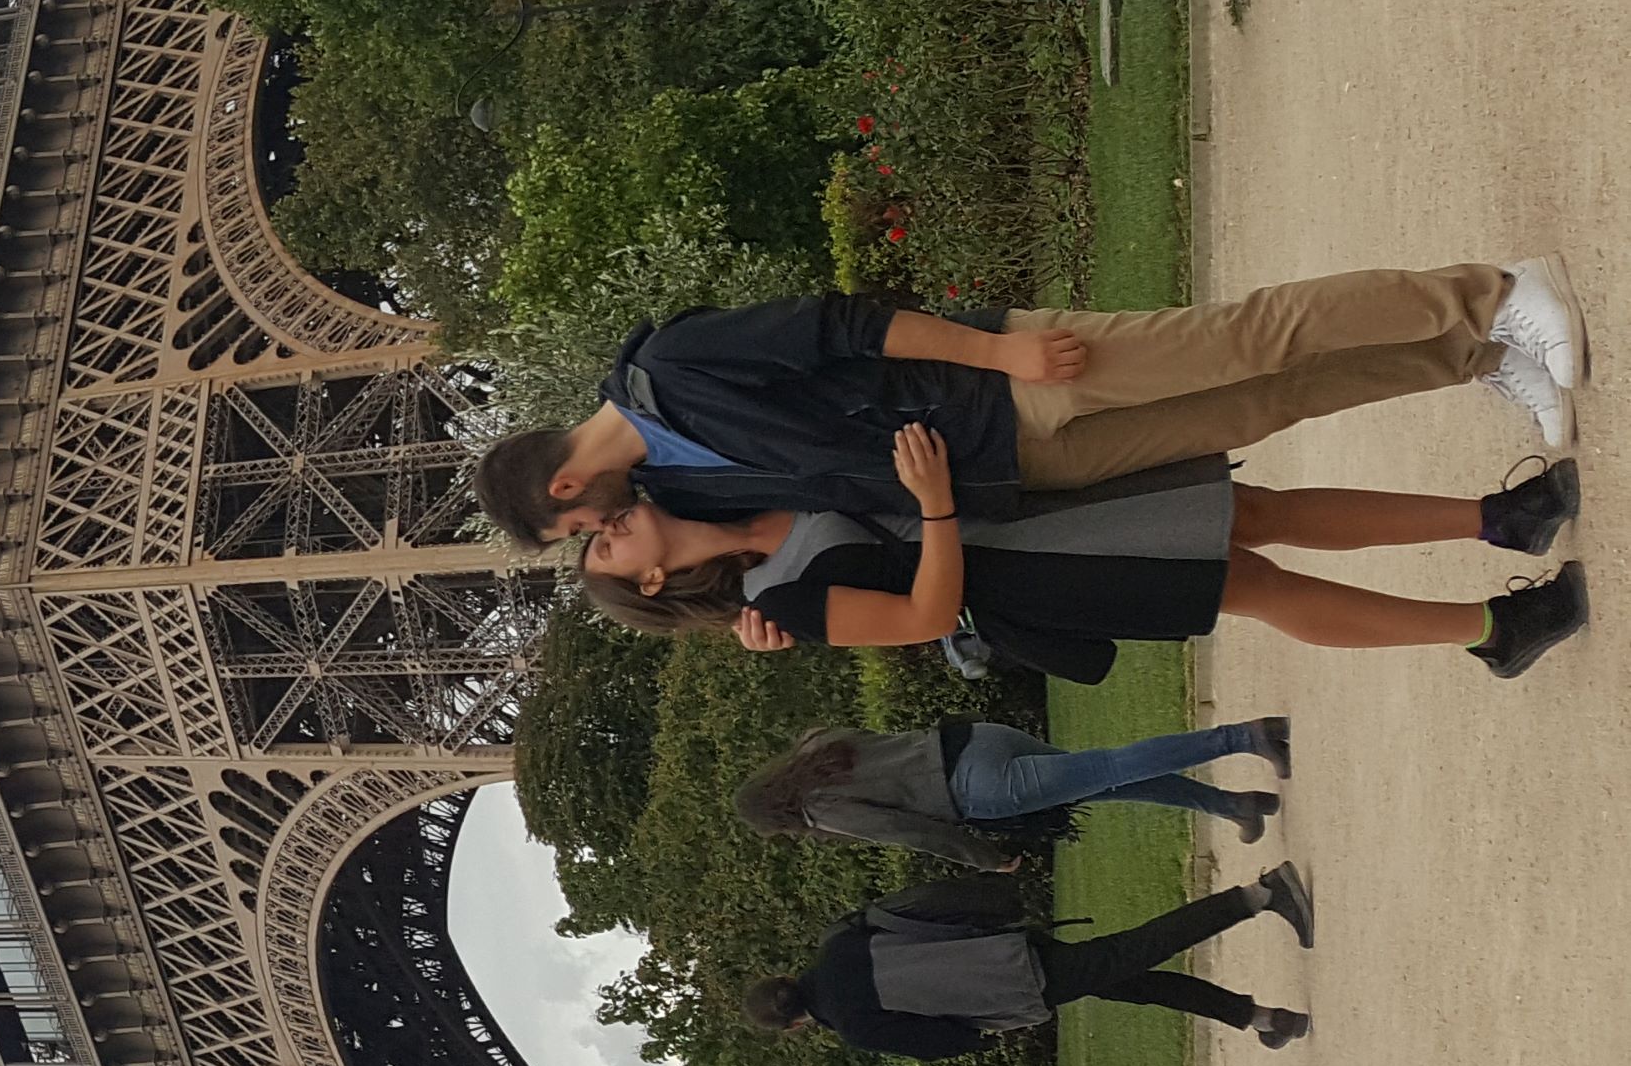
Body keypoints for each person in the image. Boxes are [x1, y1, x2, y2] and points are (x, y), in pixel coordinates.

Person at [474, 262, 1589, 546]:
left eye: (579, 528)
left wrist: (996, 352)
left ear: (565, 482)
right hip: (1007, 463)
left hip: (1000, 377)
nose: (599, 536)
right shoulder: (672, 486)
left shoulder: (672, 366)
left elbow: (843, 324)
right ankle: (1474, 356)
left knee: (1250, 337)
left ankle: (1490, 290)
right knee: (1262, 405)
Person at [574, 422, 1588, 682]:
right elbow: (926, 618)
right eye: (605, 554)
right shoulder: (779, 601)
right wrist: (933, 508)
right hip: (1039, 569)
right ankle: (1490, 627)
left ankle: (1494, 518)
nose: (606, 529)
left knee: (1256, 508)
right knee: (1256, 583)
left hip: (1032, 510)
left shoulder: (730, 496)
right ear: (650, 584)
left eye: (599, 528)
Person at [746, 865, 1320, 1054]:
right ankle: (1260, 1018)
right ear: (786, 976)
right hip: (1006, 946)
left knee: (1133, 951)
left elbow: (938, 1041)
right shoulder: (838, 946)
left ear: (794, 1025)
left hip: (1015, 987)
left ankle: (1262, 894)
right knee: (1133, 981)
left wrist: (980, 1035)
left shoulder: (855, 1026)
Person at [737, 717, 1294, 860]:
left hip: (979, 789)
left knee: (1110, 768)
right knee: (1108, 781)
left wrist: (986, 858)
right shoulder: (817, 745)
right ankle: (1233, 804)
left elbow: (906, 830)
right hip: (977, 740)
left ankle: (1243, 736)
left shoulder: (819, 809)